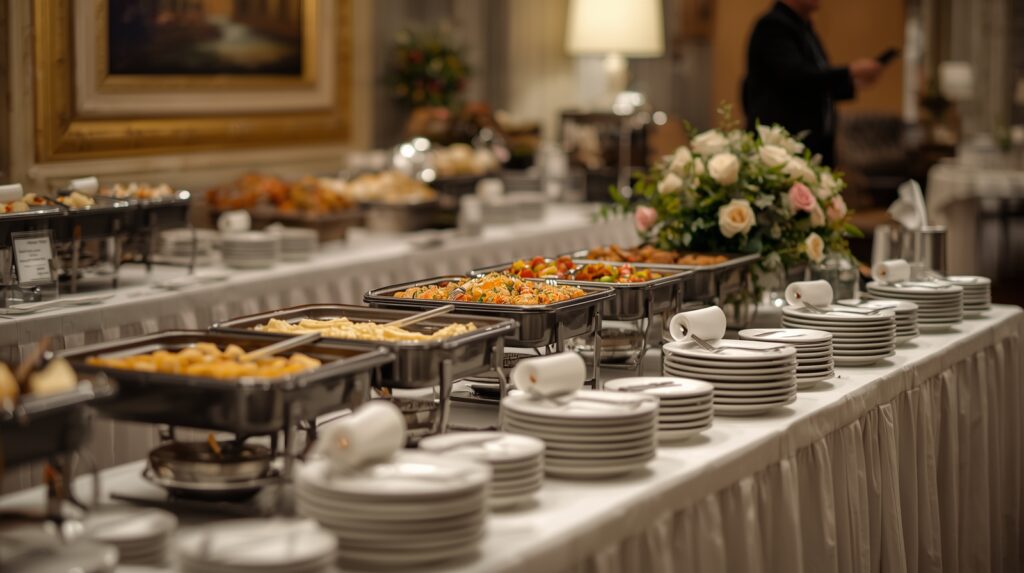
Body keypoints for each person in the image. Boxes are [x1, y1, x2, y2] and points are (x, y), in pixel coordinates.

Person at [742, 0, 883, 166]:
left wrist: (852, 83)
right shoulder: (773, 25)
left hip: (813, 144)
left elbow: (814, 84)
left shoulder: (803, 26)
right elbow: (796, 77)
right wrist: (850, 71)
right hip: (784, 147)